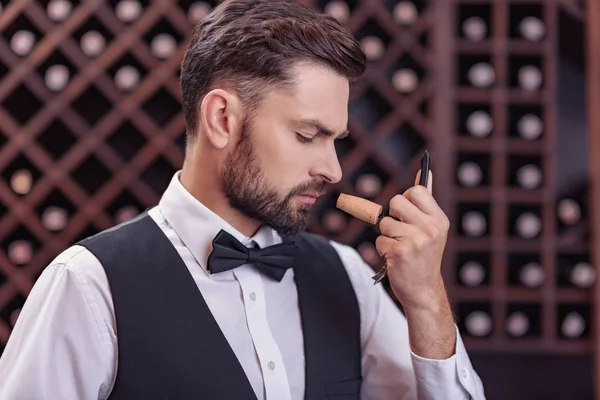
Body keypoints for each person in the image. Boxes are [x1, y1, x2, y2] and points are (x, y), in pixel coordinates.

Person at [0, 0, 486, 399]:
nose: (334, 170)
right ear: (222, 120)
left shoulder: (350, 278)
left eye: (334, 140)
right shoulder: (87, 286)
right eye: (306, 135)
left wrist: (426, 302)